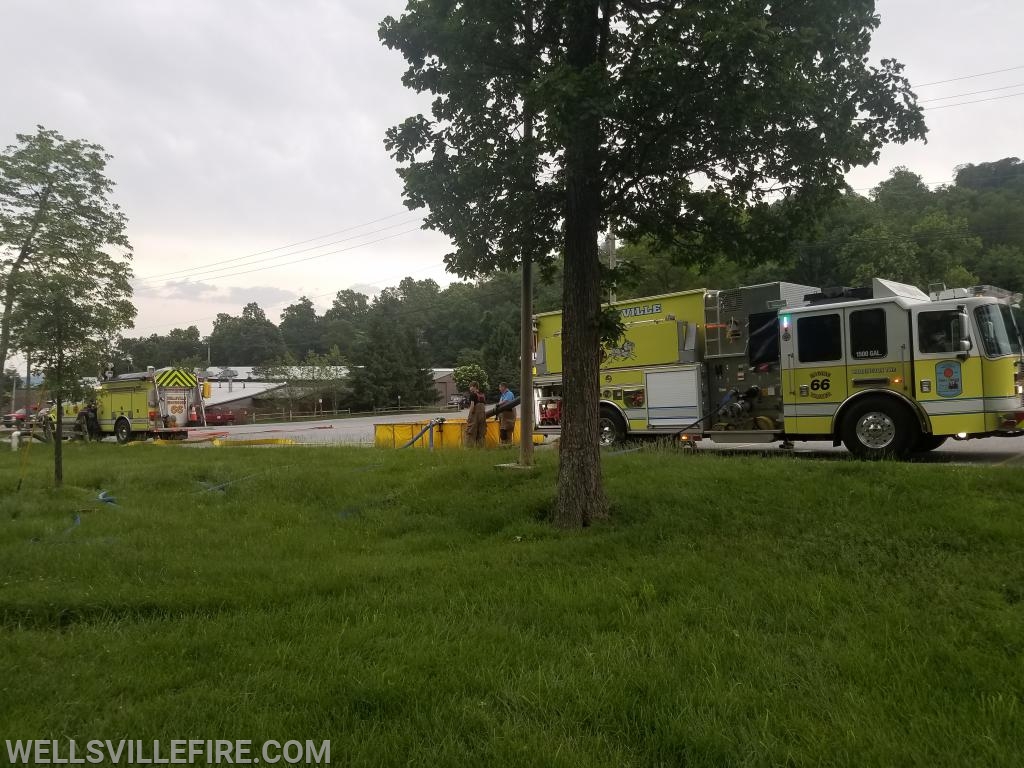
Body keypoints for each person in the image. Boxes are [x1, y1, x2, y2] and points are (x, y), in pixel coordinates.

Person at [464, 381, 487, 447]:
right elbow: (484, 405)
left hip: (475, 416)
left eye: (470, 387)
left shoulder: (473, 394)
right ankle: (481, 448)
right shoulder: (482, 394)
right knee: (481, 432)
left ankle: (469, 448)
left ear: (474, 387)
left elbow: (472, 406)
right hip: (482, 415)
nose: (469, 388)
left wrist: (469, 416)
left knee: (470, 431)